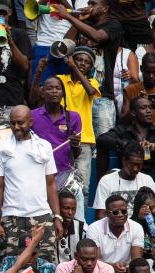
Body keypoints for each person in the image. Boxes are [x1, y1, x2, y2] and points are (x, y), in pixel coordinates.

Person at [0, 105, 61, 263]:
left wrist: (57, 217)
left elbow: (50, 184)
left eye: (20, 123)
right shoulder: (1, 149)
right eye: (12, 123)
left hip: (42, 217)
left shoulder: (44, 147)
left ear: (31, 122)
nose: (16, 127)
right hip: (11, 218)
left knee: (45, 268)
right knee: (9, 269)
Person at [53, 0, 122, 140]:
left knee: (103, 143)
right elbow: (62, 48)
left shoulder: (113, 25)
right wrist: (77, 20)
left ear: (105, 9)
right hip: (78, 97)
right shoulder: (82, 25)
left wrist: (68, 16)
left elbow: (97, 36)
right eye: (89, 3)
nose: (89, 7)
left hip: (101, 96)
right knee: (77, 142)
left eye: (93, 4)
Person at [55, 47, 100, 199]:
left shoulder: (92, 82)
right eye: (78, 59)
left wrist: (73, 66)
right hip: (60, 139)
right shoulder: (60, 79)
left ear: (90, 67)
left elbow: (91, 92)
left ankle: (80, 223)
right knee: (58, 185)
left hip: (84, 139)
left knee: (83, 188)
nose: (82, 63)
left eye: (86, 62)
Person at [30, 76, 83, 189]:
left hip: (63, 174)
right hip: (39, 173)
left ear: (63, 93)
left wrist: (76, 144)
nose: (54, 91)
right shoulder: (32, 116)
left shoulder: (73, 117)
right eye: (49, 88)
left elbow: (76, 153)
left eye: (58, 88)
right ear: (42, 93)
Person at [88, 195, 145, 273]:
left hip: (127, 272)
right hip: (101, 272)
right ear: (106, 213)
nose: (120, 215)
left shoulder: (136, 227)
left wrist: (128, 268)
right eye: (115, 212)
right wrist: (111, 268)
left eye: (124, 211)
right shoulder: (94, 228)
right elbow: (95, 260)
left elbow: (136, 260)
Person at [99, 99, 155, 182]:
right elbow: (102, 139)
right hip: (127, 177)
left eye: (150, 108)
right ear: (133, 112)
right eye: (144, 108)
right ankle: (102, 183)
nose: (149, 111)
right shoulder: (123, 130)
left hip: (152, 179)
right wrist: (128, 145)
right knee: (102, 145)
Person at [95, 144, 155, 218]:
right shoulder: (106, 180)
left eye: (139, 165)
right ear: (123, 160)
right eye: (132, 164)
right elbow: (100, 215)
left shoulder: (147, 180)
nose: (135, 169)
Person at [120, 53, 155, 122]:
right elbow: (123, 120)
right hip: (136, 131)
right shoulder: (130, 90)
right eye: (148, 72)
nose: (151, 76)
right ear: (141, 69)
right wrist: (137, 104)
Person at [56, 191, 88, 263]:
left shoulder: (82, 229)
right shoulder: (48, 228)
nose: (70, 212)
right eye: (66, 208)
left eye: (73, 209)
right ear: (57, 208)